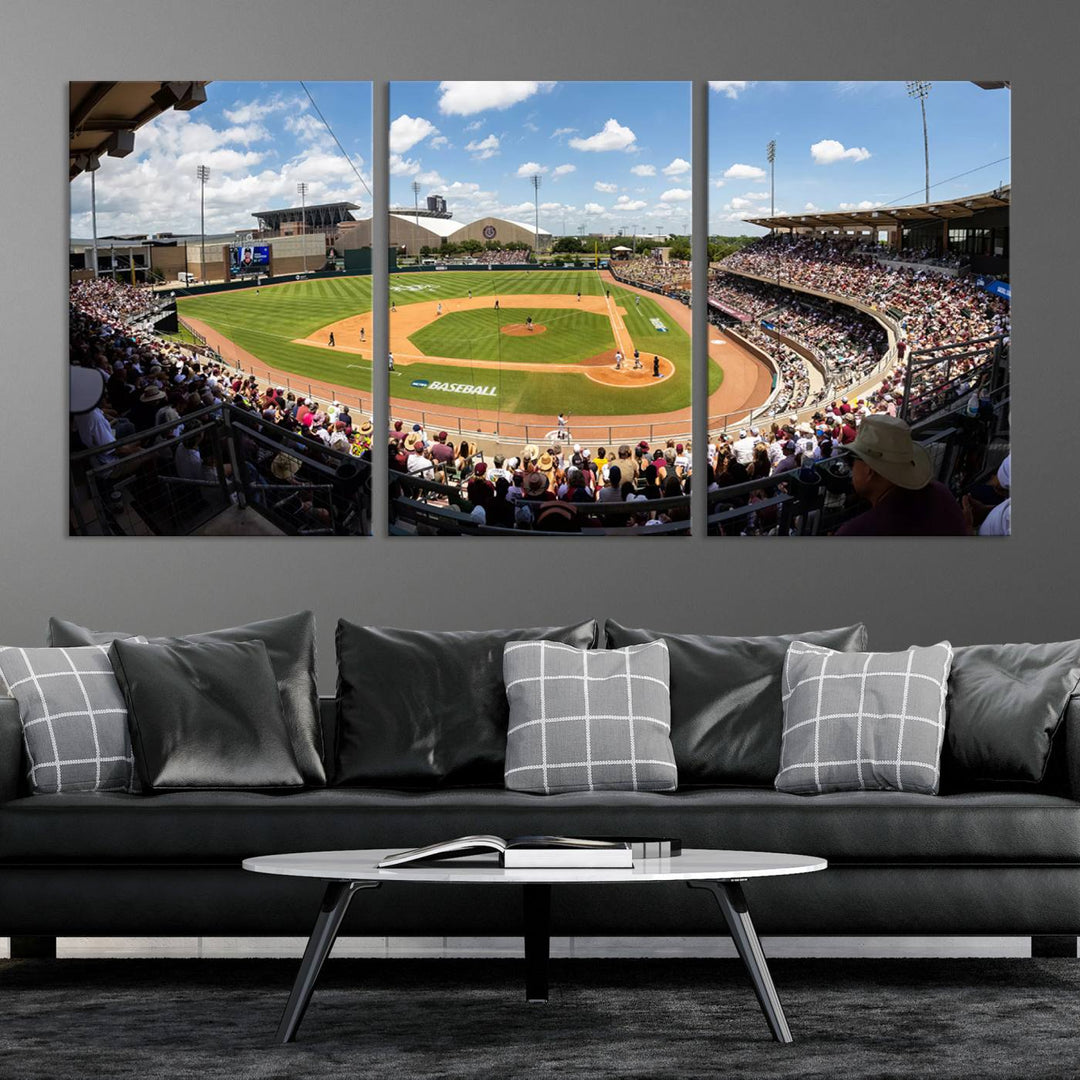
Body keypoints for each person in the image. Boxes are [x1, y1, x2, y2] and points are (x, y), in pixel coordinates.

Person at [835, 415, 967, 536]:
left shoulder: (857, 533)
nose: (851, 467)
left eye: (851, 460)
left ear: (869, 470)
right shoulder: (940, 492)